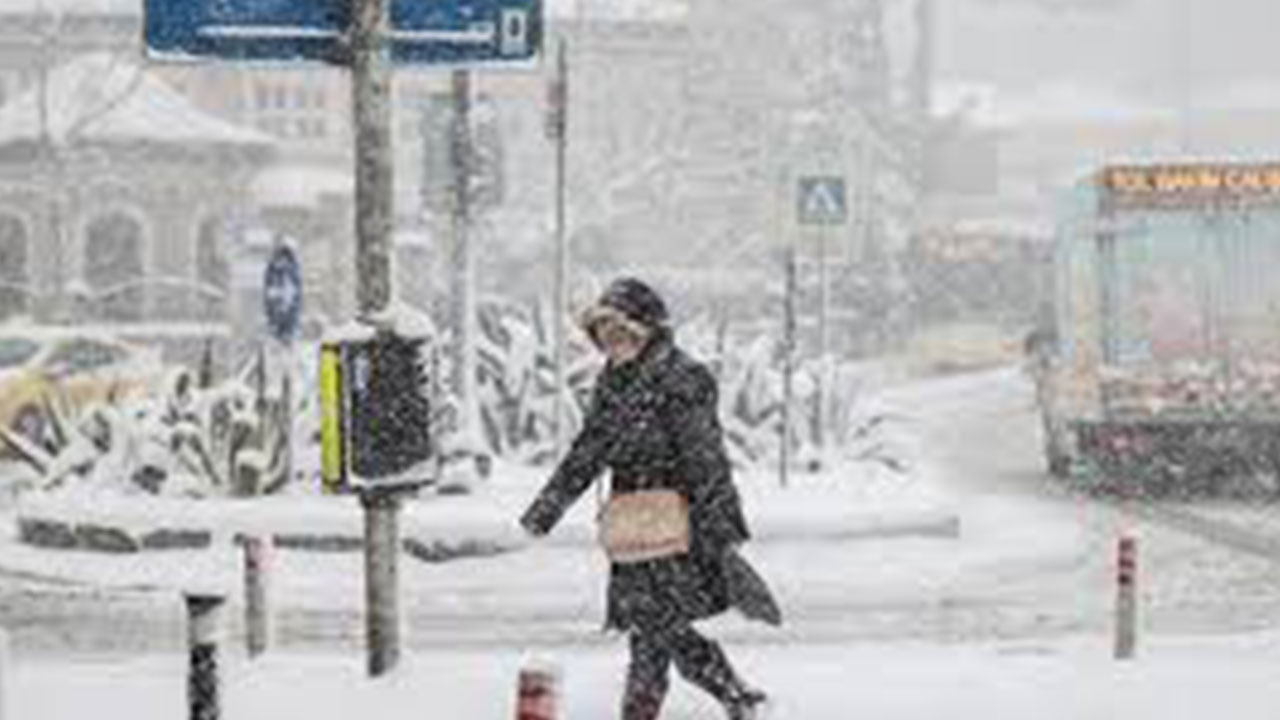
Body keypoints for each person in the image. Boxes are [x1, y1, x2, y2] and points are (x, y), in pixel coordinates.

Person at [519, 277, 776, 720]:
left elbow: (705, 457)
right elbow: (589, 450)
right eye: (603, 332)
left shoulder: (683, 378)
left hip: (678, 521)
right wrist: (546, 509)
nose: (611, 341)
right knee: (654, 627)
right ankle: (735, 697)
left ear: (647, 329)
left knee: (654, 627)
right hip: (634, 524)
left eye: (620, 330)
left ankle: (682, 705)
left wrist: (716, 526)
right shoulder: (613, 382)